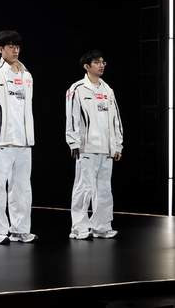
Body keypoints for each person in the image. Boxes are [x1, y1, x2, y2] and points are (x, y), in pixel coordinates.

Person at [0, 30, 37, 244]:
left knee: (22, 188)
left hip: (24, 141)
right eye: (10, 46)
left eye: (17, 46)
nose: (15, 50)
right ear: (0, 49)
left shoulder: (27, 76)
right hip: (0, 141)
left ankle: (20, 229)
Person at [66, 50, 123, 240]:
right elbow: (72, 118)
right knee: (84, 189)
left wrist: (118, 145)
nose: (101, 65)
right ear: (86, 66)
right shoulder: (77, 89)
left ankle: (101, 226)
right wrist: (73, 142)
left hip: (106, 149)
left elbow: (116, 120)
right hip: (87, 148)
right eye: (97, 62)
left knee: (104, 190)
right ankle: (79, 228)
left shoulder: (108, 90)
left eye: (103, 62)